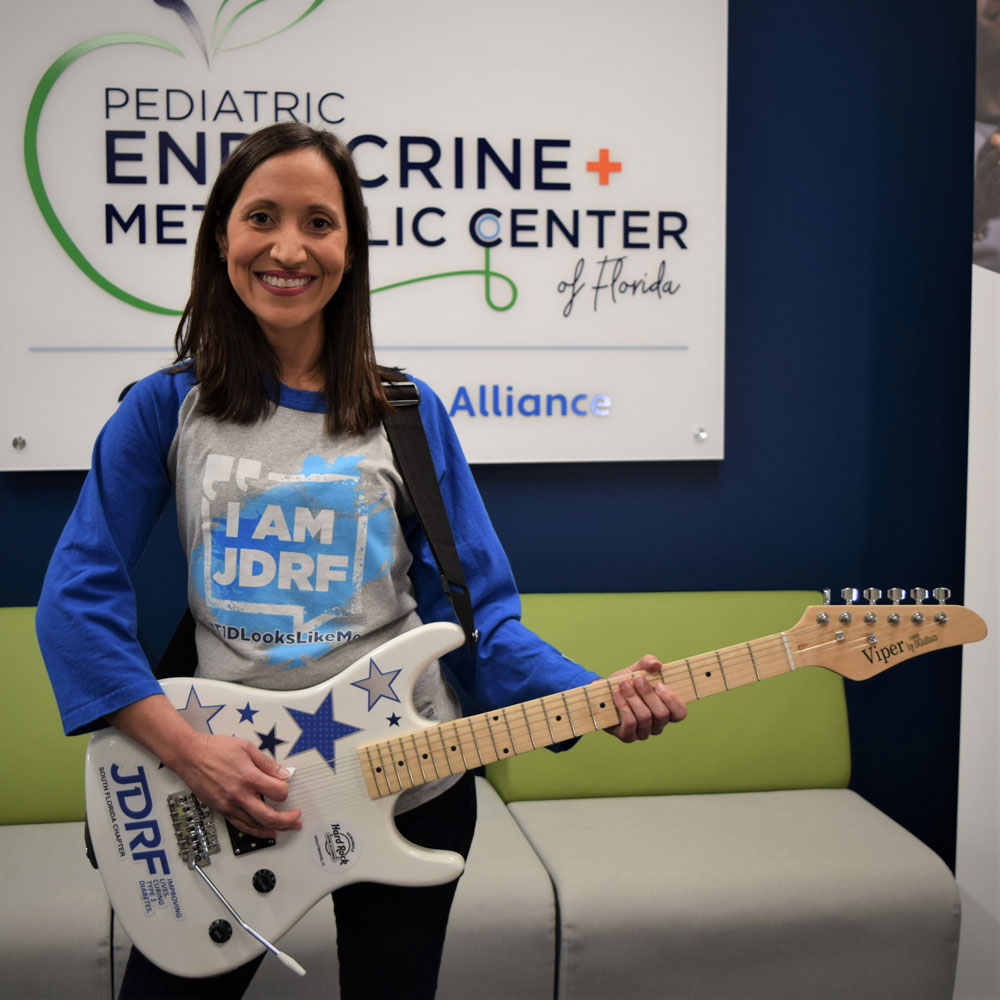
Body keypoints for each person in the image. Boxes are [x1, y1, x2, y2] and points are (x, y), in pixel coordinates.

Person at [36, 122, 687, 1000]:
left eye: (319, 222)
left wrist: (591, 696)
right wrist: (193, 756)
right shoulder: (167, 409)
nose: (289, 247)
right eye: (261, 217)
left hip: (409, 785)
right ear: (222, 236)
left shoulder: (407, 414)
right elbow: (76, 602)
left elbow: (481, 618)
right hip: (228, 787)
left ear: (352, 248)